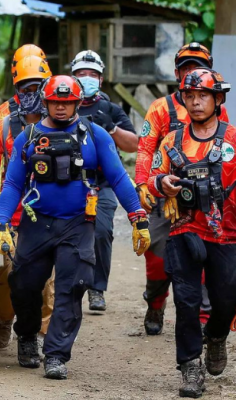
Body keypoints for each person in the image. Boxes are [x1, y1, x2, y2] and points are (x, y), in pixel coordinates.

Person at [0, 75, 150, 380]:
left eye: (67, 102)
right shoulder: (28, 136)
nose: (61, 108)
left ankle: (55, 355)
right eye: (55, 102)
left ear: (77, 103)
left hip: (79, 224)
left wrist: (137, 216)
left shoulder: (96, 135)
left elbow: (118, 177)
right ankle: (26, 334)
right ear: (46, 102)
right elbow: (12, 183)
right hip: (36, 222)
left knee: (72, 287)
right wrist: (1, 224)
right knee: (23, 284)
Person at [146, 68, 236, 397]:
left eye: (203, 95)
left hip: (228, 235)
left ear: (218, 99)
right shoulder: (171, 141)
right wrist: (161, 183)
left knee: (227, 301)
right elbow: (150, 178)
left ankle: (217, 337)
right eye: (189, 96)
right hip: (182, 231)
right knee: (187, 302)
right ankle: (190, 367)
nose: (195, 102)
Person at [135, 42, 229, 335]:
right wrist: (144, 188)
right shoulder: (161, 109)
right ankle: (156, 301)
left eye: (198, 67)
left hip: (203, 198)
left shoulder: (217, 109)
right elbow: (144, 151)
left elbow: (228, 150)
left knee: (203, 257)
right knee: (158, 260)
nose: (192, 72)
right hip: (166, 197)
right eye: (187, 67)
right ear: (177, 73)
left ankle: (201, 322)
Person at [0, 53, 54, 349]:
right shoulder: (6, 122)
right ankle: (5, 317)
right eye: (26, 88)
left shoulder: (62, 119)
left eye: (38, 86)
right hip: (16, 213)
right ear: (16, 88)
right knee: (11, 275)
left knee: (49, 282)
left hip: (51, 213)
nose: (32, 94)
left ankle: (40, 337)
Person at [70, 49, 138, 313]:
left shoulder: (110, 109)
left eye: (92, 74)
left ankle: (96, 288)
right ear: (72, 76)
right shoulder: (60, 105)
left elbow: (134, 145)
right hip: (68, 181)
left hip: (103, 183)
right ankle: (66, 285)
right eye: (81, 74)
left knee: (101, 231)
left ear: (101, 79)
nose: (87, 78)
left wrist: (111, 127)